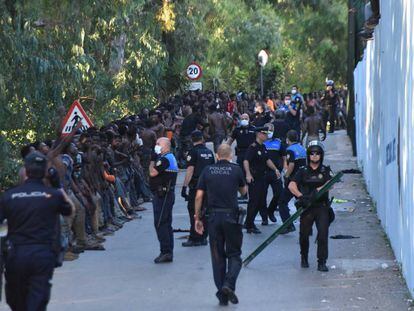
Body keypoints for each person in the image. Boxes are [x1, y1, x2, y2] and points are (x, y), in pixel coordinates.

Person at [0, 151, 74, 311]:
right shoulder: (53, 195)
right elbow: (70, 211)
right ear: (45, 173)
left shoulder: (9, 196)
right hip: (42, 256)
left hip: (16, 256)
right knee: (37, 301)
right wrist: (58, 186)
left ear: (25, 171)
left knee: (17, 302)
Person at [194, 144, 247, 306]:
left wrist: (197, 217)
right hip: (231, 216)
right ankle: (228, 285)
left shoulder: (208, 170)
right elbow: (244, 192)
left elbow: (199, 196)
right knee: (235, 254)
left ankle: (222, 294)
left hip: (214, 217)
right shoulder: (236, 170)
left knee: (217, 257)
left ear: (217, 155)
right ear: (230, 155)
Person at [288, 141, 333, 272]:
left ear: (321, 155)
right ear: (308, 155)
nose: (314, 156)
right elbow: (291, 185)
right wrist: (301, 196)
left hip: (321, 207)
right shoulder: (302, 171)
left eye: (317, 153)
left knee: (323, 234)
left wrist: (319, 190)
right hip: (306, 207)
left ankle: (322, 262)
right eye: (312, 153)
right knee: (304, 235)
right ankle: (304, 257)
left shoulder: (326, 170)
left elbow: (331, 183)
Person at [243, 127, 281, 233]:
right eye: (264, 134)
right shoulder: (253, 147)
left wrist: (275, 169)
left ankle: (248, 222)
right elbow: (246, 161)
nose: (266, 136)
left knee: (259, 201)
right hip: (255, 178)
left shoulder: (263, 146)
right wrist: (248, 174)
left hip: (262, 177)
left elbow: (267, 160)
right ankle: (249, 224)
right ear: (259, 134)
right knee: (254, 202)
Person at [181, 130, 215, 247]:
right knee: (205, 211)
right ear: (202, 139)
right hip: (208, 186)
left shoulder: (193, 152)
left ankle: (195, 237)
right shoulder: (210, 152)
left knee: (193, 210)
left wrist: (184, 186)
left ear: (192, 139)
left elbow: (190, 170)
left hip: (196, 186)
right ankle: (203, 236)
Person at [149, 137, 178, 263]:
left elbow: (152, 173)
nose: (156, 146)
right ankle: (168, 251)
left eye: (158, 144)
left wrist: (151, 160)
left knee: (161, 223)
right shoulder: (168, 157)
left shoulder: (165, 159)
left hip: (163, 195)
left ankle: (165, 251)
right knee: (165, 223)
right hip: (164, 194)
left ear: (165, 146)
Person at [278, 130, 306, 234]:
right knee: (301, 201)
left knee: (282, 202)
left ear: (288, 139)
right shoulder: (302, 148)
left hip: (293, 181)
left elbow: (291, 165)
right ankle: (308, 224)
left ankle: (288, 225)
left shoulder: (290, 150)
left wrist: (286, 175)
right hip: (302, 179)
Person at [226, 113, 256, 201]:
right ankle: (244, 193)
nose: (244, 120)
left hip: (251, 154)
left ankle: (253, 194)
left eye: (246, 118)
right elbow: (230, 141)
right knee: (242, 174)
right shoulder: (237, 130)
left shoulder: (254, 129)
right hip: (241, 154)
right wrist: (225, 150)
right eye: (242, 118)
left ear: (249, 119)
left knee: (252, 173)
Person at [263, 123, 286, 223]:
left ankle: (270, 211)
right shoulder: (261, 142)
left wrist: (284, 167)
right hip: (262, 172)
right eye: (268, 130)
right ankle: (264, 217)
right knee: (261, 196)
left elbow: (284, 156)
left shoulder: (278, 143)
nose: (269, 132)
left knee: (279, 193)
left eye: (271, 130)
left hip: (275, 172)